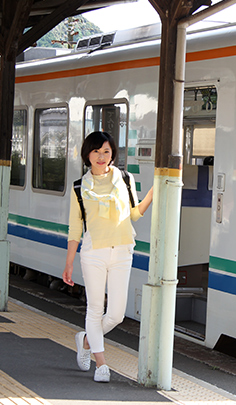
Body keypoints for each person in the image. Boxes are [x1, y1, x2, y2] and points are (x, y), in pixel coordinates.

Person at [62, 131, 153, 383]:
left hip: (123, 251)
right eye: (96, 152)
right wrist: (69, 262)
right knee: (94, 310)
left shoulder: (125, 178)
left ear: (113, 153)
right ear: (87, 155)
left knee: (116, 315)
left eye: (106, 151)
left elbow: (134, 214)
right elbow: (75, 228)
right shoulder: (80, 187)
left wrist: (156, 190)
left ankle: (86, 340)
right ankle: (101, 364)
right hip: (93, 253)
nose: (101, 157)